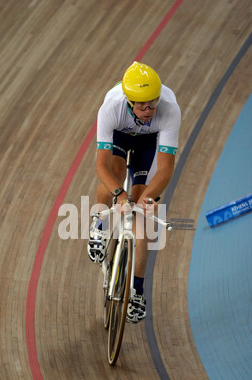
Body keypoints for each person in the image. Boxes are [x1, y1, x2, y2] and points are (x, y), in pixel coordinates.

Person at [88, 61, 181, 323]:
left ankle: (137, 289)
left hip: (149, 145)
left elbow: (164, 170)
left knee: (142, 211)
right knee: (115, 176)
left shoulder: (170, 110)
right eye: (142, 106)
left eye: (153, 103)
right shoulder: (112, 107)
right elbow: (101, 165)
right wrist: (119, 194)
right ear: (129, 102)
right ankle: (100, 225)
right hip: (120, 135)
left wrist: (147, 199)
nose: (149, 109)